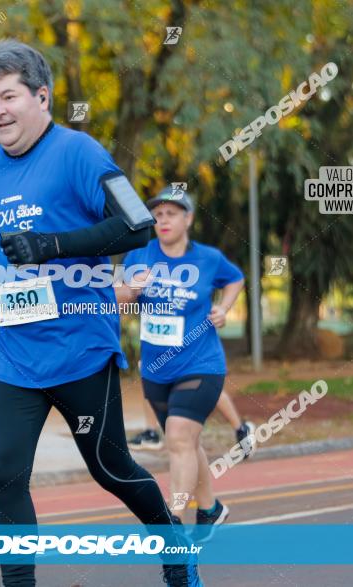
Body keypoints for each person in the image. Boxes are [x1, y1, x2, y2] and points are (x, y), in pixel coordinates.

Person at [0, 40, 202, 586]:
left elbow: (136, 224)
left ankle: (176, 552)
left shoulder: (79, 152)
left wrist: (55, 245)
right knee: (4, 473)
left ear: (41, 97)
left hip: (81, 348)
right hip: (11, 354)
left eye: (9, 96)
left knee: (111, 470)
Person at [116, 187, 245, 543]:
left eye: (172, 213)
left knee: (177, 437)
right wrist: (131, 290)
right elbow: (121, 296)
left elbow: (235, 279)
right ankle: (212, 509)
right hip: (157, 368)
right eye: (157, 215)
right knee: (187, 442)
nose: (163, 220)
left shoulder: (208, 258)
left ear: (187, 219)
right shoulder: (140, 254)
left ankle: (173, 520)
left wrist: (225, 307)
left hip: (201, 363)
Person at [129, 390, 257, 459]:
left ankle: (241, 429)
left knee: (211, 389)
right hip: (166, 348)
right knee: (151, 384)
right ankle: (151, 433)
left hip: (195, 351)